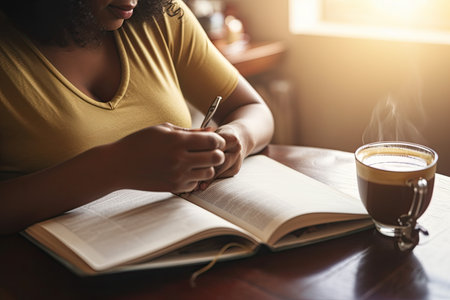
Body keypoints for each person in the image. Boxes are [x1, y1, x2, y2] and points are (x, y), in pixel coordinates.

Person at [0, 0, 274, 234]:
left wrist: (238, 137)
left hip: (173, 239)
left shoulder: (163, 16)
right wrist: (115, 167)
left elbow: (252, 108)